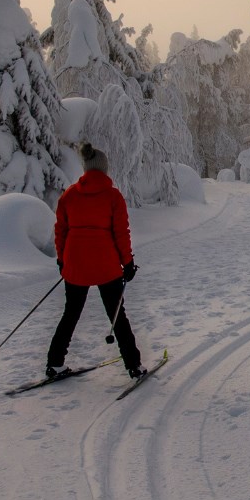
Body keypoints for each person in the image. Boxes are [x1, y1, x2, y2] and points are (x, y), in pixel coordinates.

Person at [48, 143, 146, 379]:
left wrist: (62, 260)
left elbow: (60, 231)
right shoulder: (113, 196)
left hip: (75, 265)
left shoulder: (69, 195)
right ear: (104, 168)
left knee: (70, 314)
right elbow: (121, 232)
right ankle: (133, 365)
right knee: (117, 317)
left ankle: (55, 363)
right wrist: (128, 263)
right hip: (106, 265)